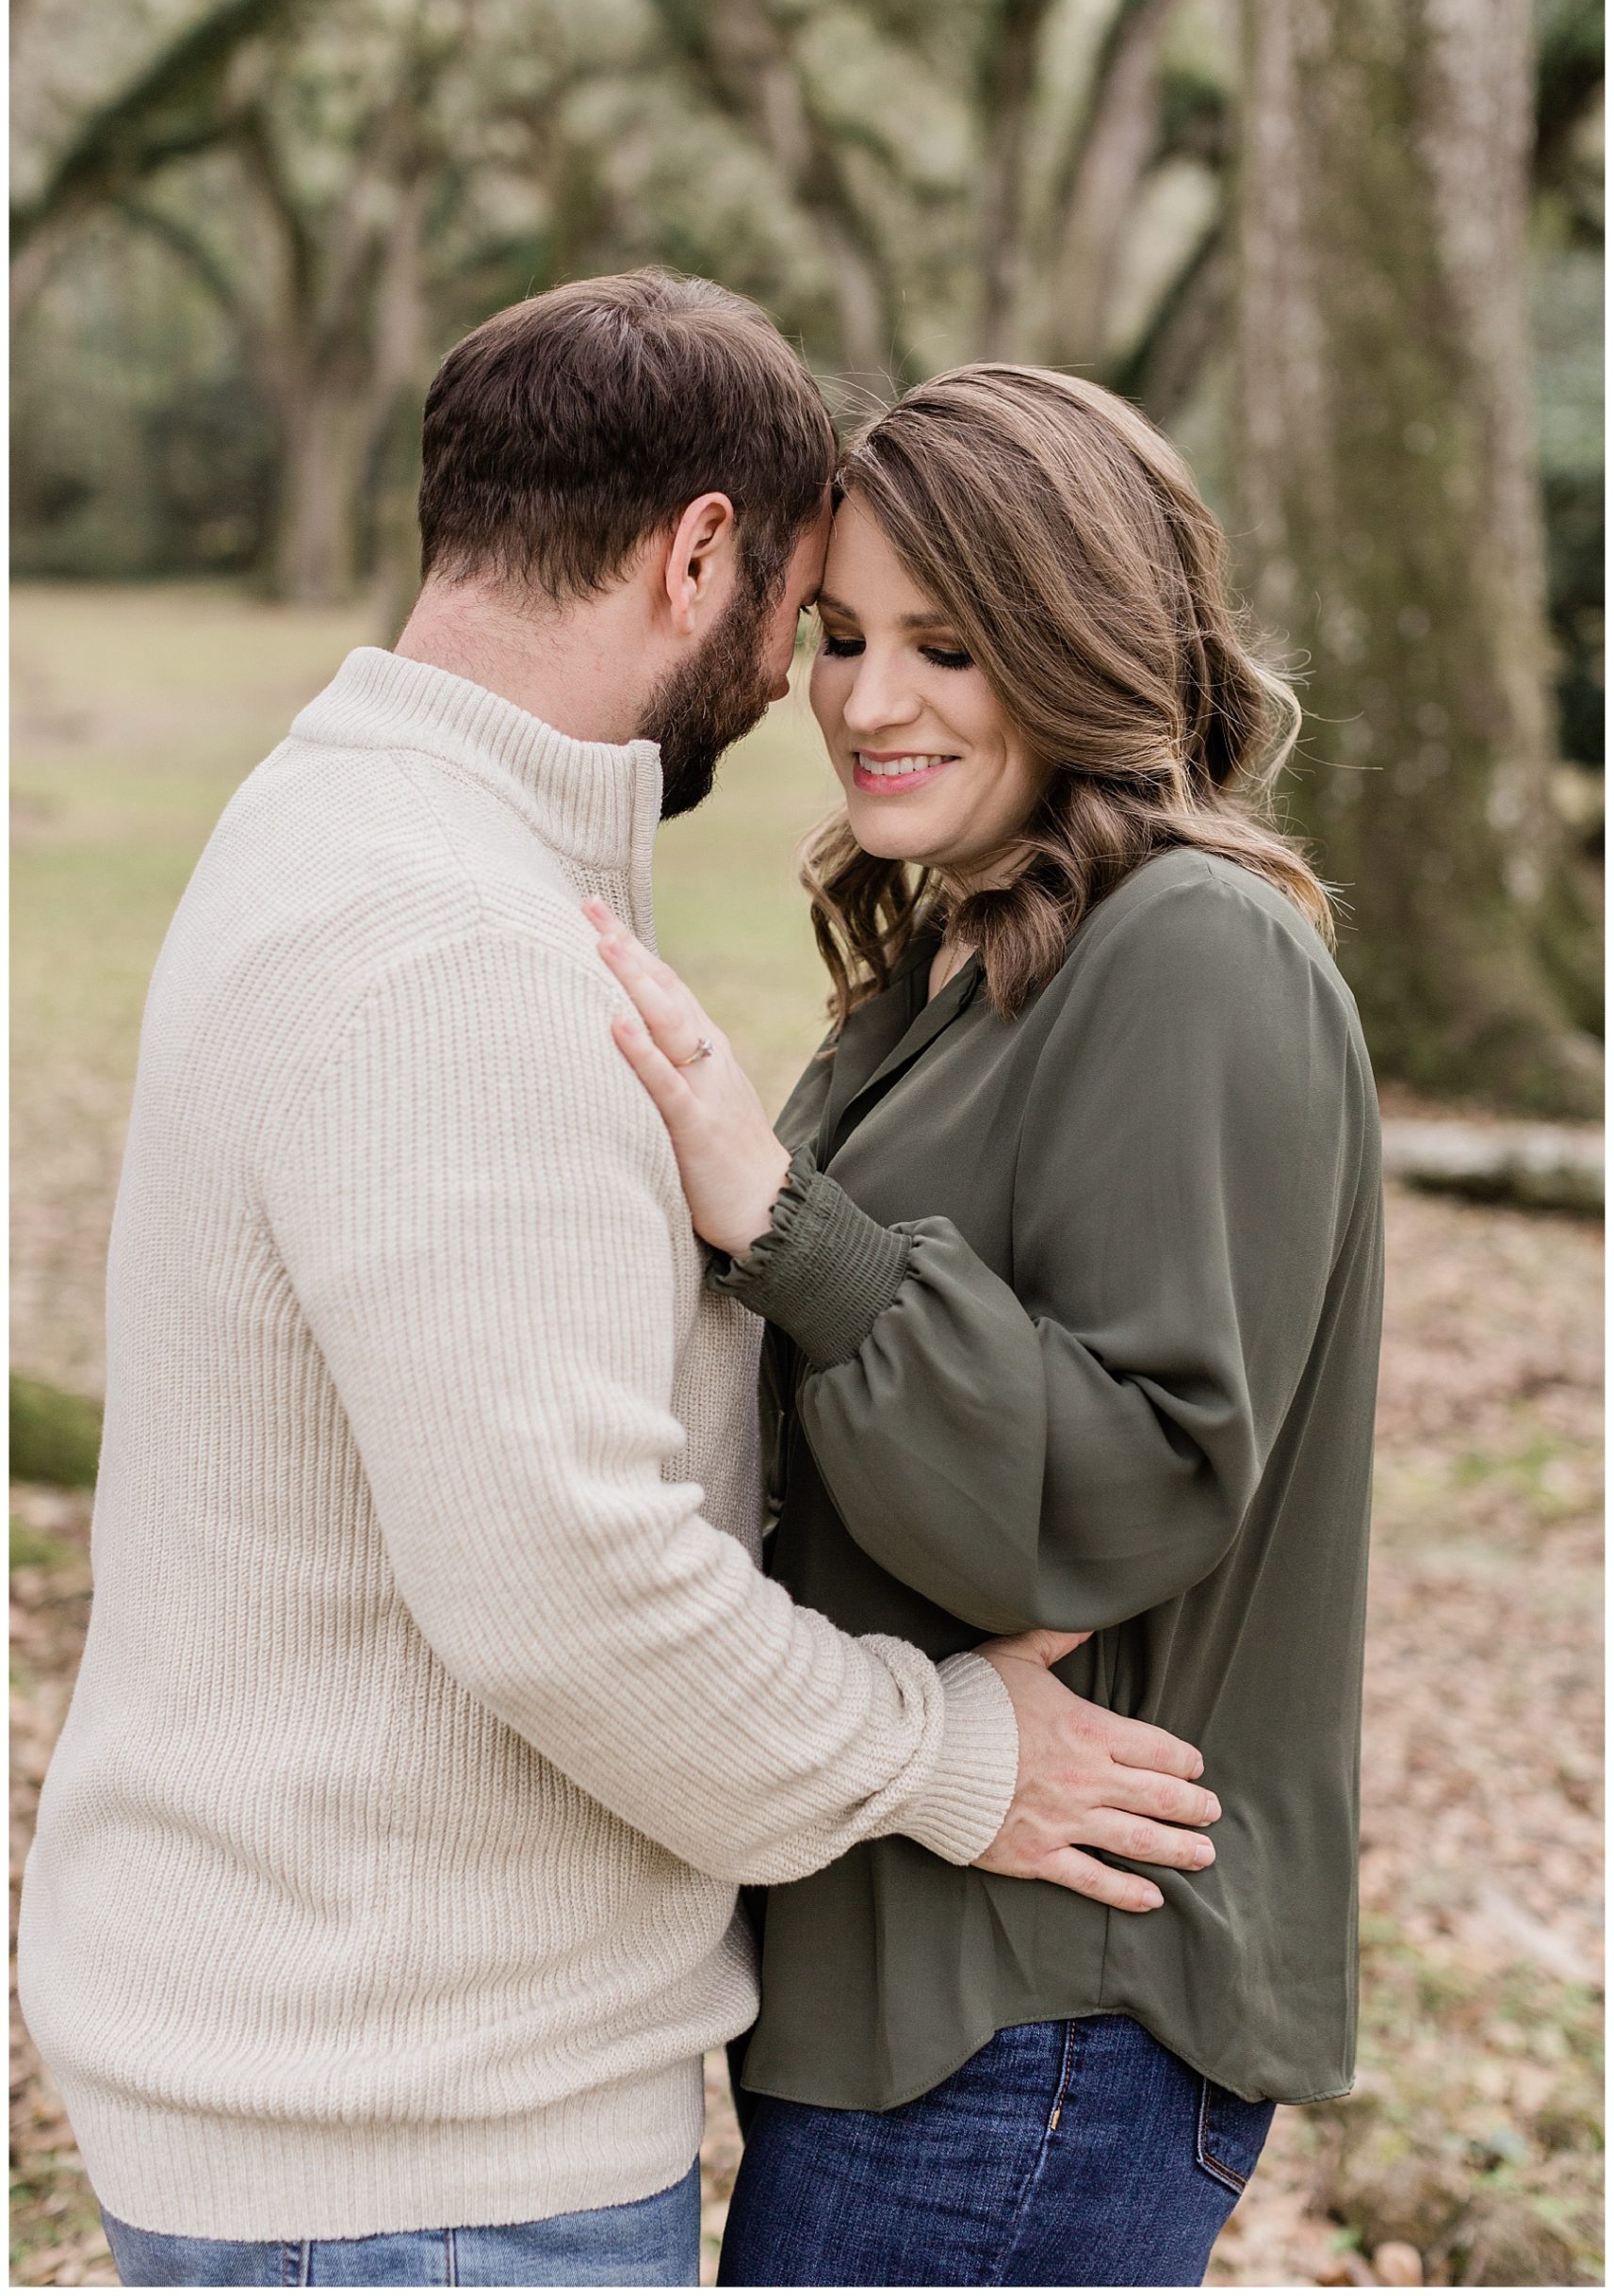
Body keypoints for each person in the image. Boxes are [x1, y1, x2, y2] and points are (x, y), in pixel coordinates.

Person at [17, 280, 1223, 2292]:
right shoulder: (449, 943)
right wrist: (946, 1751)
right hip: (420, 2156)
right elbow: (571, 1586)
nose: (812, 690)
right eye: (808, 619)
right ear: (697, 552)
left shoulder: (333, 818)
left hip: (365, 2107)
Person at [595, 361, 1386, 2288]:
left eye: (946, 643)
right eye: (842, 636)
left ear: (1075, 635)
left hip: (1045, 2006)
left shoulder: (1190, 952)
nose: (866, 702)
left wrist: (777, 1215)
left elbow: (1110, 1497)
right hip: (929, 1984)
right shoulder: (970, 954)